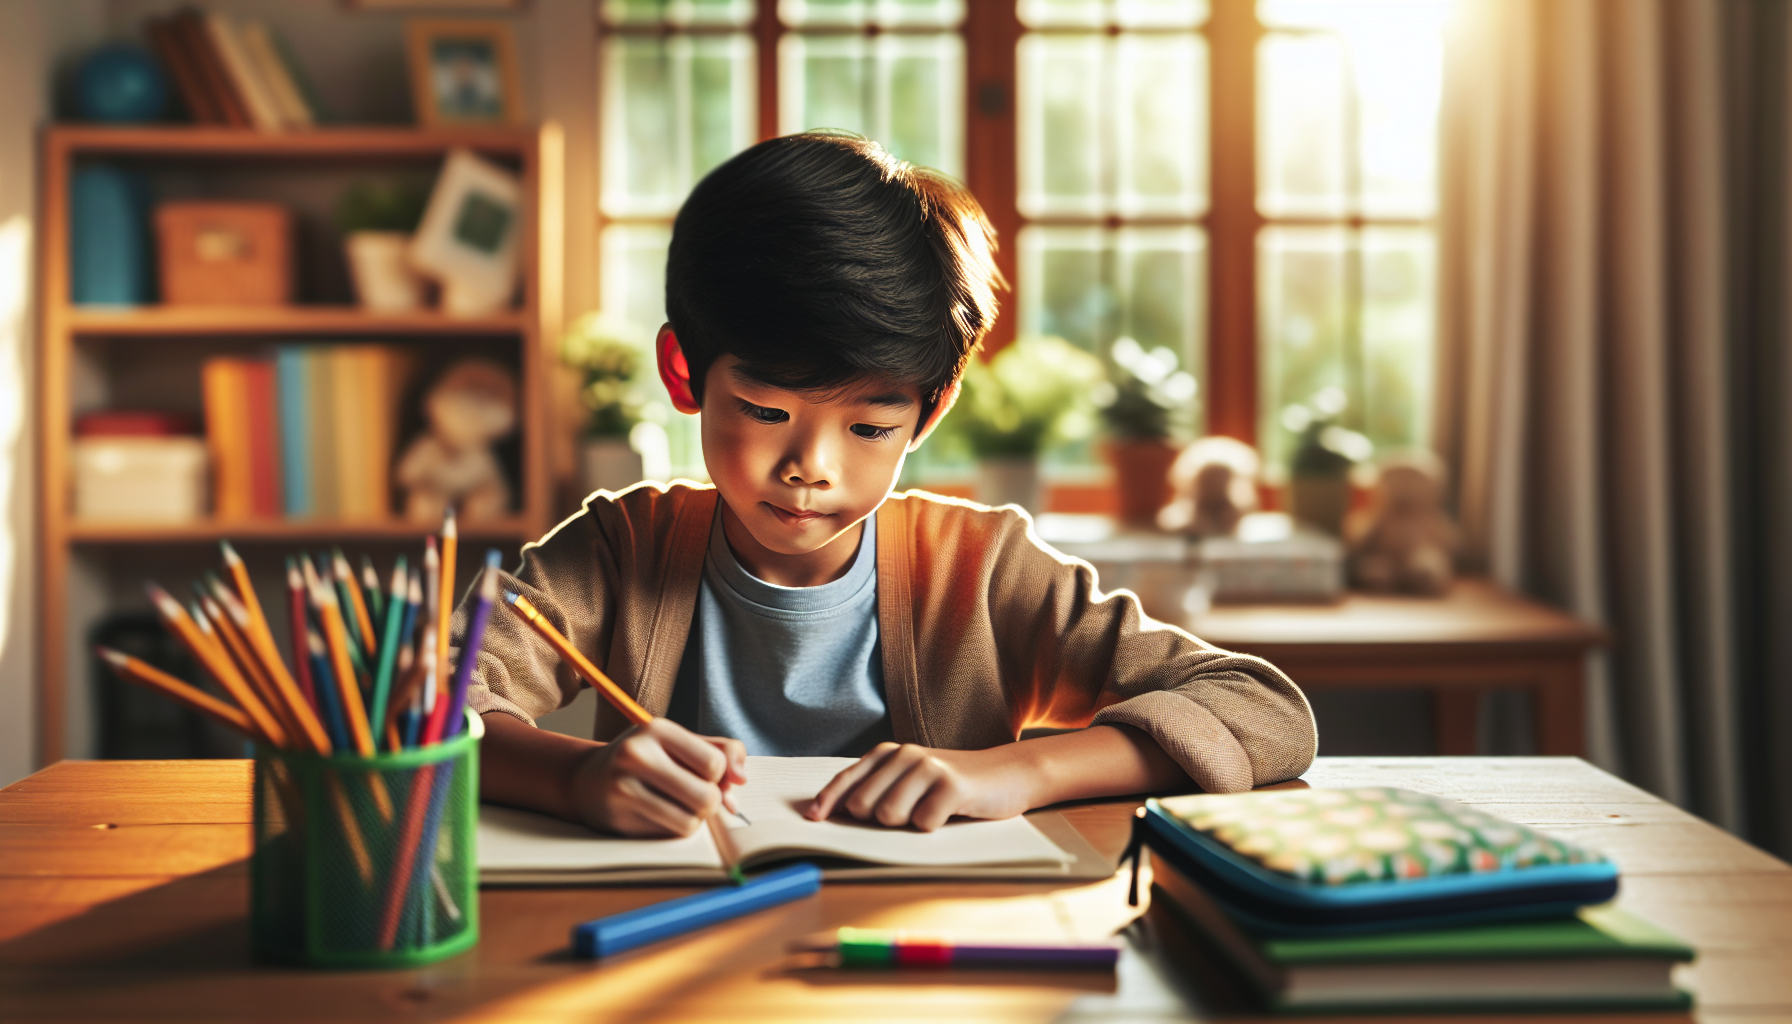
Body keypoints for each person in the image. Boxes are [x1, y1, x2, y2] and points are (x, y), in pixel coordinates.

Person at [461, 132, 1316, 837]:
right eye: (763, 410)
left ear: (930, 413)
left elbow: (1265, 712)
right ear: (684, 373)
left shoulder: (982, 568)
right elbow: (414, 703)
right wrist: (578, 778)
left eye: (870, 428)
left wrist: (1015, 772)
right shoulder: (619, 550)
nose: (811, 467)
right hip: (670, 940)